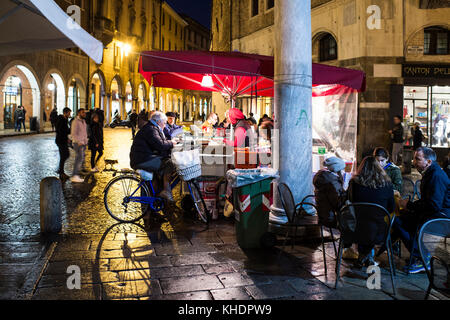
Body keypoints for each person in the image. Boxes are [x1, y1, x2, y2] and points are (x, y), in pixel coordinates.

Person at [394, 147, 450, 273]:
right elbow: (428, 201)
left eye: (417, 159)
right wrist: (410, 206)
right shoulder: (430, 173)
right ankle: (418, 255)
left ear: (428, 162)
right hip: (435, 212)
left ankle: (421, 258)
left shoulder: (436, 175)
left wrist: (410, 206)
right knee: (402, 219)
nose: (413, 161)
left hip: (442, 217)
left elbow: (434, 205)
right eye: (414, 158)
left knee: (400, 222)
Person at [346, 156, 395, 267]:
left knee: (365, 223)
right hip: (379, 230)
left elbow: (349, 202)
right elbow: (391, 208)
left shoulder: (354, 183)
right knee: (372, 225)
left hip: (355, 229)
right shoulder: (387, 184)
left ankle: (362, 258)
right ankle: (367, 258)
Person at [130, 111, 177, 202]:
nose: (165, 125)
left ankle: (157, 198)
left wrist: (170, 143)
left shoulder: (152, 128)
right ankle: (166, 190)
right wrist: (172, 143)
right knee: (170, 163)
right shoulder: (151, 129)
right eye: (164, 123)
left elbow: (159, 142)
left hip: (144, 157)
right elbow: (160, 144)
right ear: (158, 121)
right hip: (142, 160)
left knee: (163, 167)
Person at [313, 157, 346, 229]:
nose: (344, 171)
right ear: (337, 169)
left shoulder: (323, 177)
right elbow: (338, 204)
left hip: (324, 214)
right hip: (331, 217)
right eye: (342, 169)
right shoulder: (332, 182)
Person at [70, 108, 88, 183]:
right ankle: (74, 175)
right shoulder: (75, 122)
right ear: (79, 113)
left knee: (81, 158)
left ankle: (78, 172)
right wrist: (78, 141)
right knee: (79, 159)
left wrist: (86, 140)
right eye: (83, 113)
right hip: (78, 143)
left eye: (84, 113)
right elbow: (73, 133)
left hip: (83, 143)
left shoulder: (83, 121)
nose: (84, 114)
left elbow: (84, 132)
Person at [55, 107, 72, 180]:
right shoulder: (61, 120)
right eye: (69, 113)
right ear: (65, 112)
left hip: (62, 140)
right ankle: (61, 172)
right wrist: (69, 131)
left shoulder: (64, 119)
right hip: (61, 140)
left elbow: (64, 130)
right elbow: (61, 130)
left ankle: (60, 170)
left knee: (65, 155)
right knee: (64, 155)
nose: (69, 114)